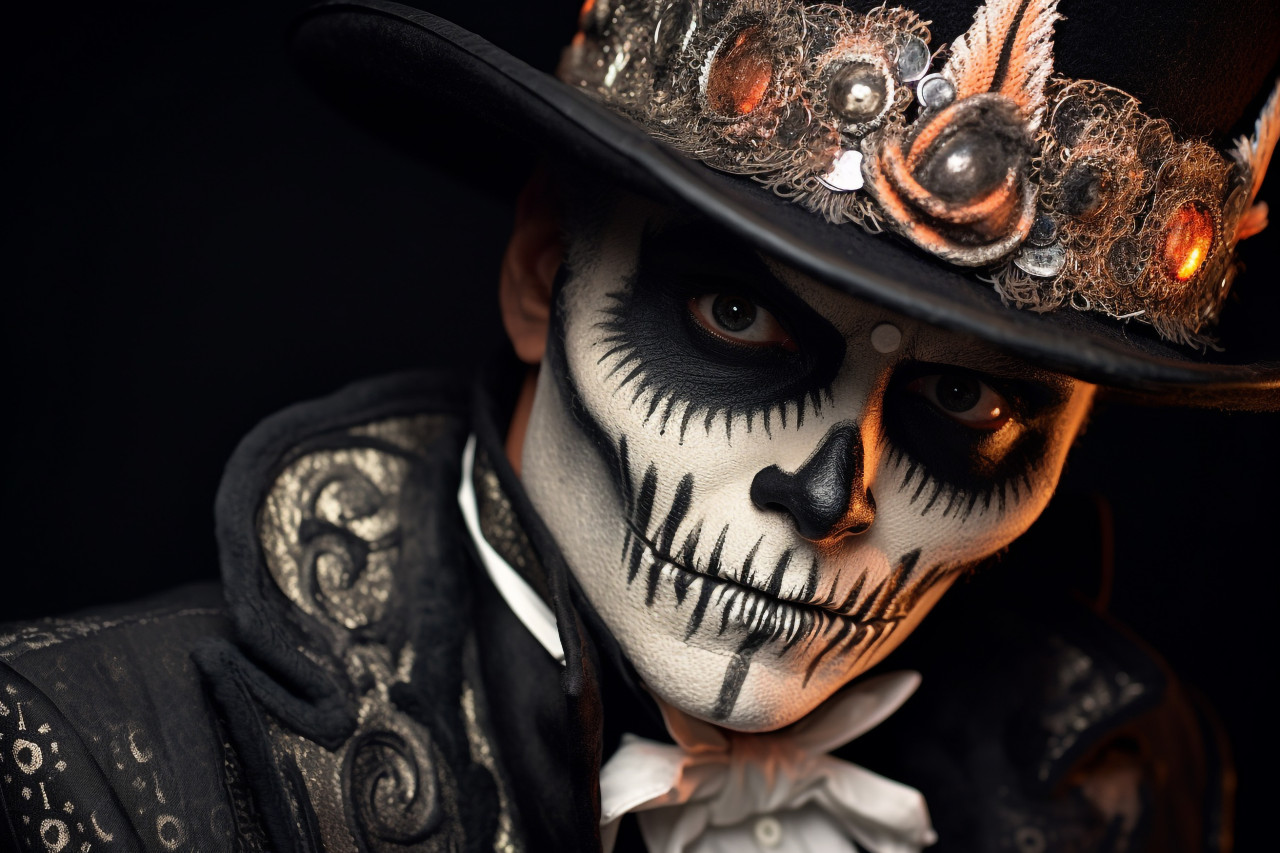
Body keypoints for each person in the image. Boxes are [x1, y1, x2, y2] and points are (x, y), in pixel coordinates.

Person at [2, 0, 1276, 851]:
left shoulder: (1135, 779)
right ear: (540, 265)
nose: (829, 491)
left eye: (968, 396)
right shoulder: (78, 765)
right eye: (733, 314)